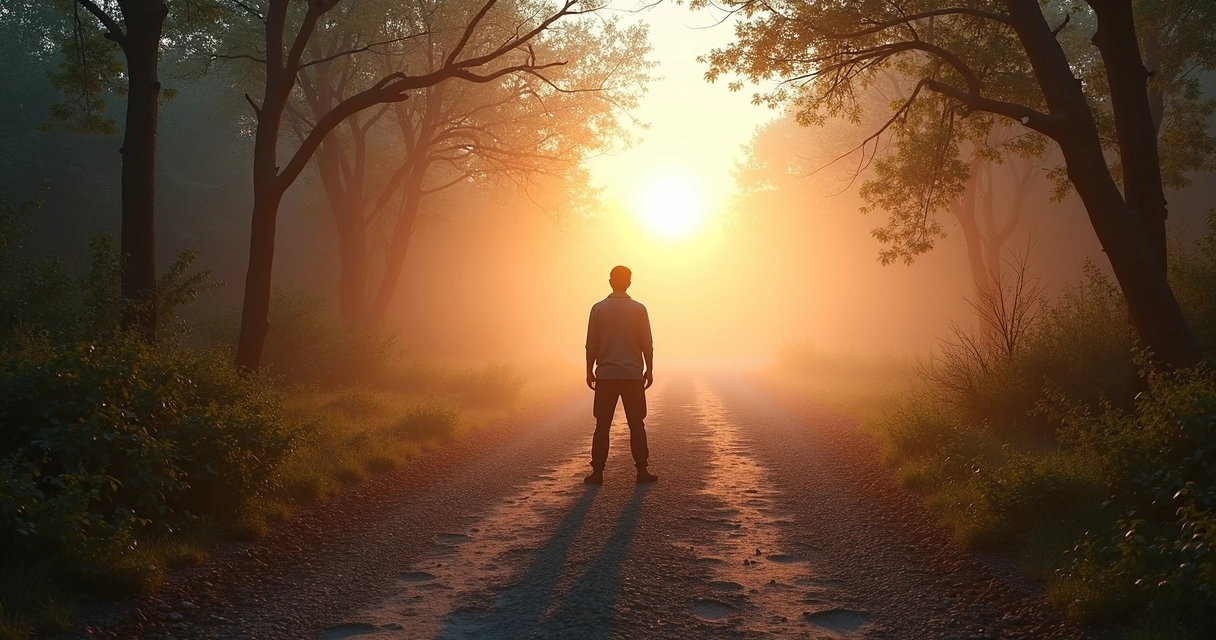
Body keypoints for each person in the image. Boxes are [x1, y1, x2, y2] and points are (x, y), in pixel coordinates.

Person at [584, 265, 658, 485]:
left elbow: (591, 344)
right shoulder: (639, 309)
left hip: (606, 375)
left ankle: (597, 472)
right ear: (629, 283)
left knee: (602, 425)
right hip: (632, 375)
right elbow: (647, 343)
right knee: (637, 424)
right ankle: (642, 470)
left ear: (610, 282)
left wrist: (589, 370)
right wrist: (649, 369)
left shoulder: (598, 309)